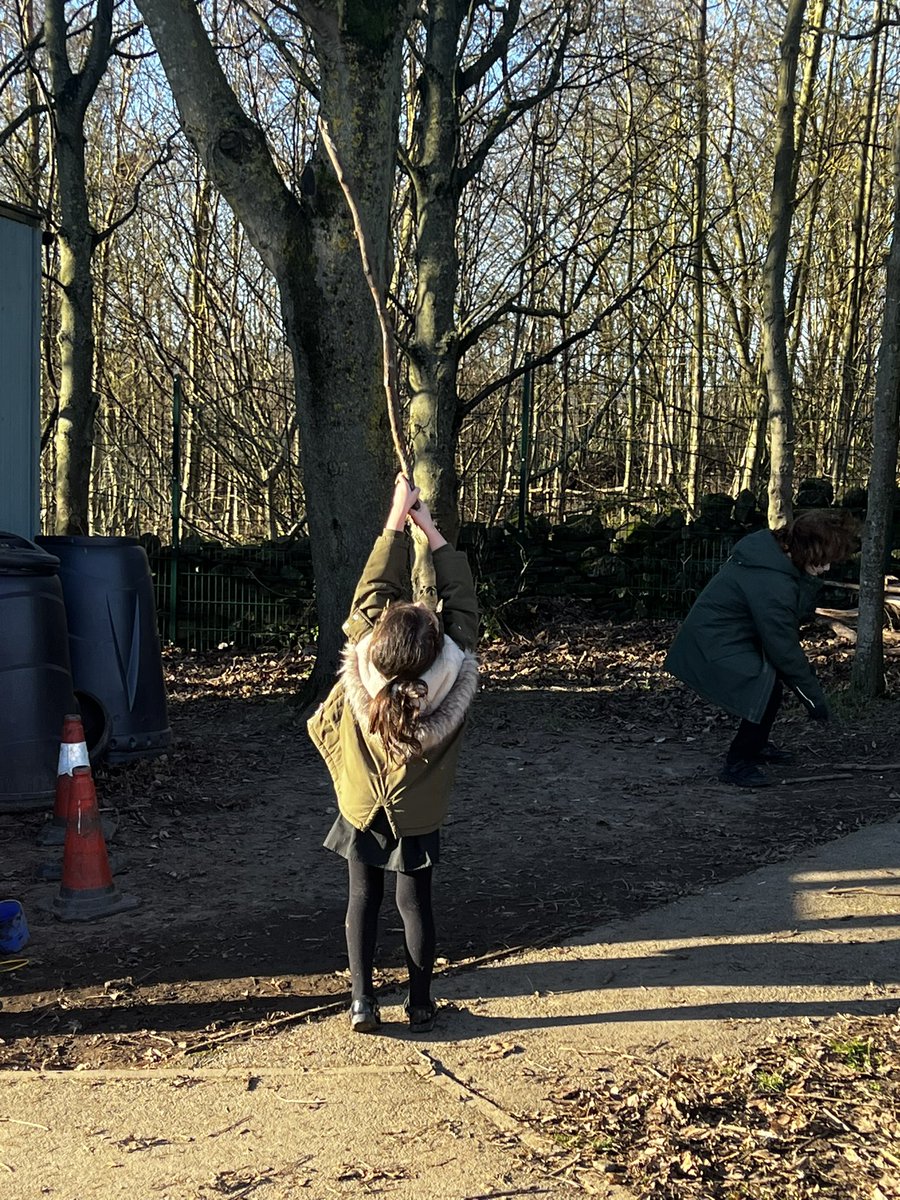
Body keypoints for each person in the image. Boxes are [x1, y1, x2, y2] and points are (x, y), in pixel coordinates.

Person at [308, 475, 479, 1033]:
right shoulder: (452, 678)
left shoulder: (361, 665)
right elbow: (463, 609)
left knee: (362, 897)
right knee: (414, 905)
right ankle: (421, 1003)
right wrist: (430, 531)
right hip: (417, 816)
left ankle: (362, 1003)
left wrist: (394, 522)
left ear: (379, 643)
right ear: (434, 648)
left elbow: (370, 596)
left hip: (363, 806)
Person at [665, 509, 859, 788]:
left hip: (726, 637)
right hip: (713, 643)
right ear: (807, 549)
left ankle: (755, 747)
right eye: (824, 560)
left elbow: (788, 623)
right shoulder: (772, 580)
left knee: (770, 685)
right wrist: (815, 701)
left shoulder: (775, 559)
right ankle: (737, 762)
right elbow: (784, 649)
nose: (827, 568)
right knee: (765, 688)